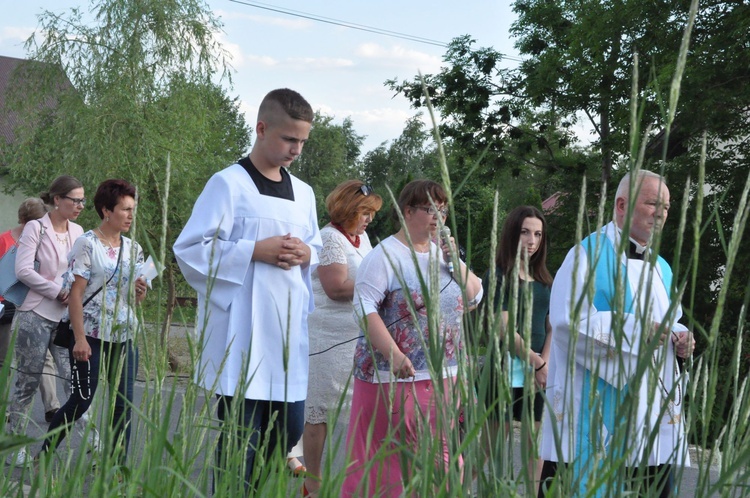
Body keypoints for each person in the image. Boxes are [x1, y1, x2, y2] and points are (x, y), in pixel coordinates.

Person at [173, 88, 322, 494]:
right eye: (290, 139)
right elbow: (189, 249)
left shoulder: (305, 193)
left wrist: (307, 253)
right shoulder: (228, 184)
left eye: (303, 141)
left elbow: (318, 249)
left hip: (287, 338)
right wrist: (254, 250)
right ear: (260, 128)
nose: (297, 149)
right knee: (242, 442)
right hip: (244, 340)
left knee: (285, 436)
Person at [538, 170, 695, 498]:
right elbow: (568, 323)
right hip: (596, 408)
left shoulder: (662, 267)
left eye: (666, 207)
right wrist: (637, 330)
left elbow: (671, 319)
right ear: (622, 205)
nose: (662, 214)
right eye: (653, 204)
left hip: (649, 408)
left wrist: (681, 338)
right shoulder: (586, 256)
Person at [341, 179, 482, 497]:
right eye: (430, 209)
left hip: (443, 378)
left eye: (443, 210)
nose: (438, 217)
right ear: (407, 211)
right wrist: (393, 353)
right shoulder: (384, 256)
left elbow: (474, 297)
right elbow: (363, 309)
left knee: (445, 466)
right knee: (386, 468)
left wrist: (453, 258)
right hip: (391, 380)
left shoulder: (443, 258)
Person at [39, 179, 147, 462]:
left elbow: (130, 298)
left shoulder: (134, 249)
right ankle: (46, 453)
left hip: (124, 337)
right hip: (91, 336)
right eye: (125, 209)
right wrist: (80, 338)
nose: (130, 216)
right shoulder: (86, 244)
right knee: (81, 401)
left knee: (123, 404)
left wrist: (139, 292)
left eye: (132, 209)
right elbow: (75, 295)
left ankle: (115, 467)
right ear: (106, 210)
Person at [302, 180, 383, 497]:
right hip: (327, 339)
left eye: (371, 213)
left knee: (355, 413)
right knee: (320, 411)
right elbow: (336, 288)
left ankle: (349, 481)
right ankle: (314, 482)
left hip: (357, 340)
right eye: (365, 211)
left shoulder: (362, 240)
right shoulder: (329, 238)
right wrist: (379, 279)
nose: (369, 219)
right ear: (348, 209)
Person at [6, 176, 85, 465]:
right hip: (35, 315)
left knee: (75, 382)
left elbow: (84, 269)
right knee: (26, 384)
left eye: (82, 200)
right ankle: (15, 445)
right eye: (74, 200)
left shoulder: (78, 231)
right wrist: (58, 291)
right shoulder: (35, 228)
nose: (80, 205)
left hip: (66, 319)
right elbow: (23, 270)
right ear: (57, 199)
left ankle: (93, 442)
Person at [481, 205, 552, 495]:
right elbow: (503, 328)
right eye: (525, 232)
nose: (532, 240)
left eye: (537, 234)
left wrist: (544, 363)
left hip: (536, 374)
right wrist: (537, 362)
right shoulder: (498, 275)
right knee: (489, 449)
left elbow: (552, 327)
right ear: (513, 234)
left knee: (537, 451)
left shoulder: (546, 281)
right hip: (503, 371)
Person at [0, 198, 62, 424]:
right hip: (7, 307)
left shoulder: (44, 238)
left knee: (44, 358)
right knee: (6, 360)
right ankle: (5, 408)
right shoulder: (5, 240)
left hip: (36, 307)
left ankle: (52, 407)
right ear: (25, 220)